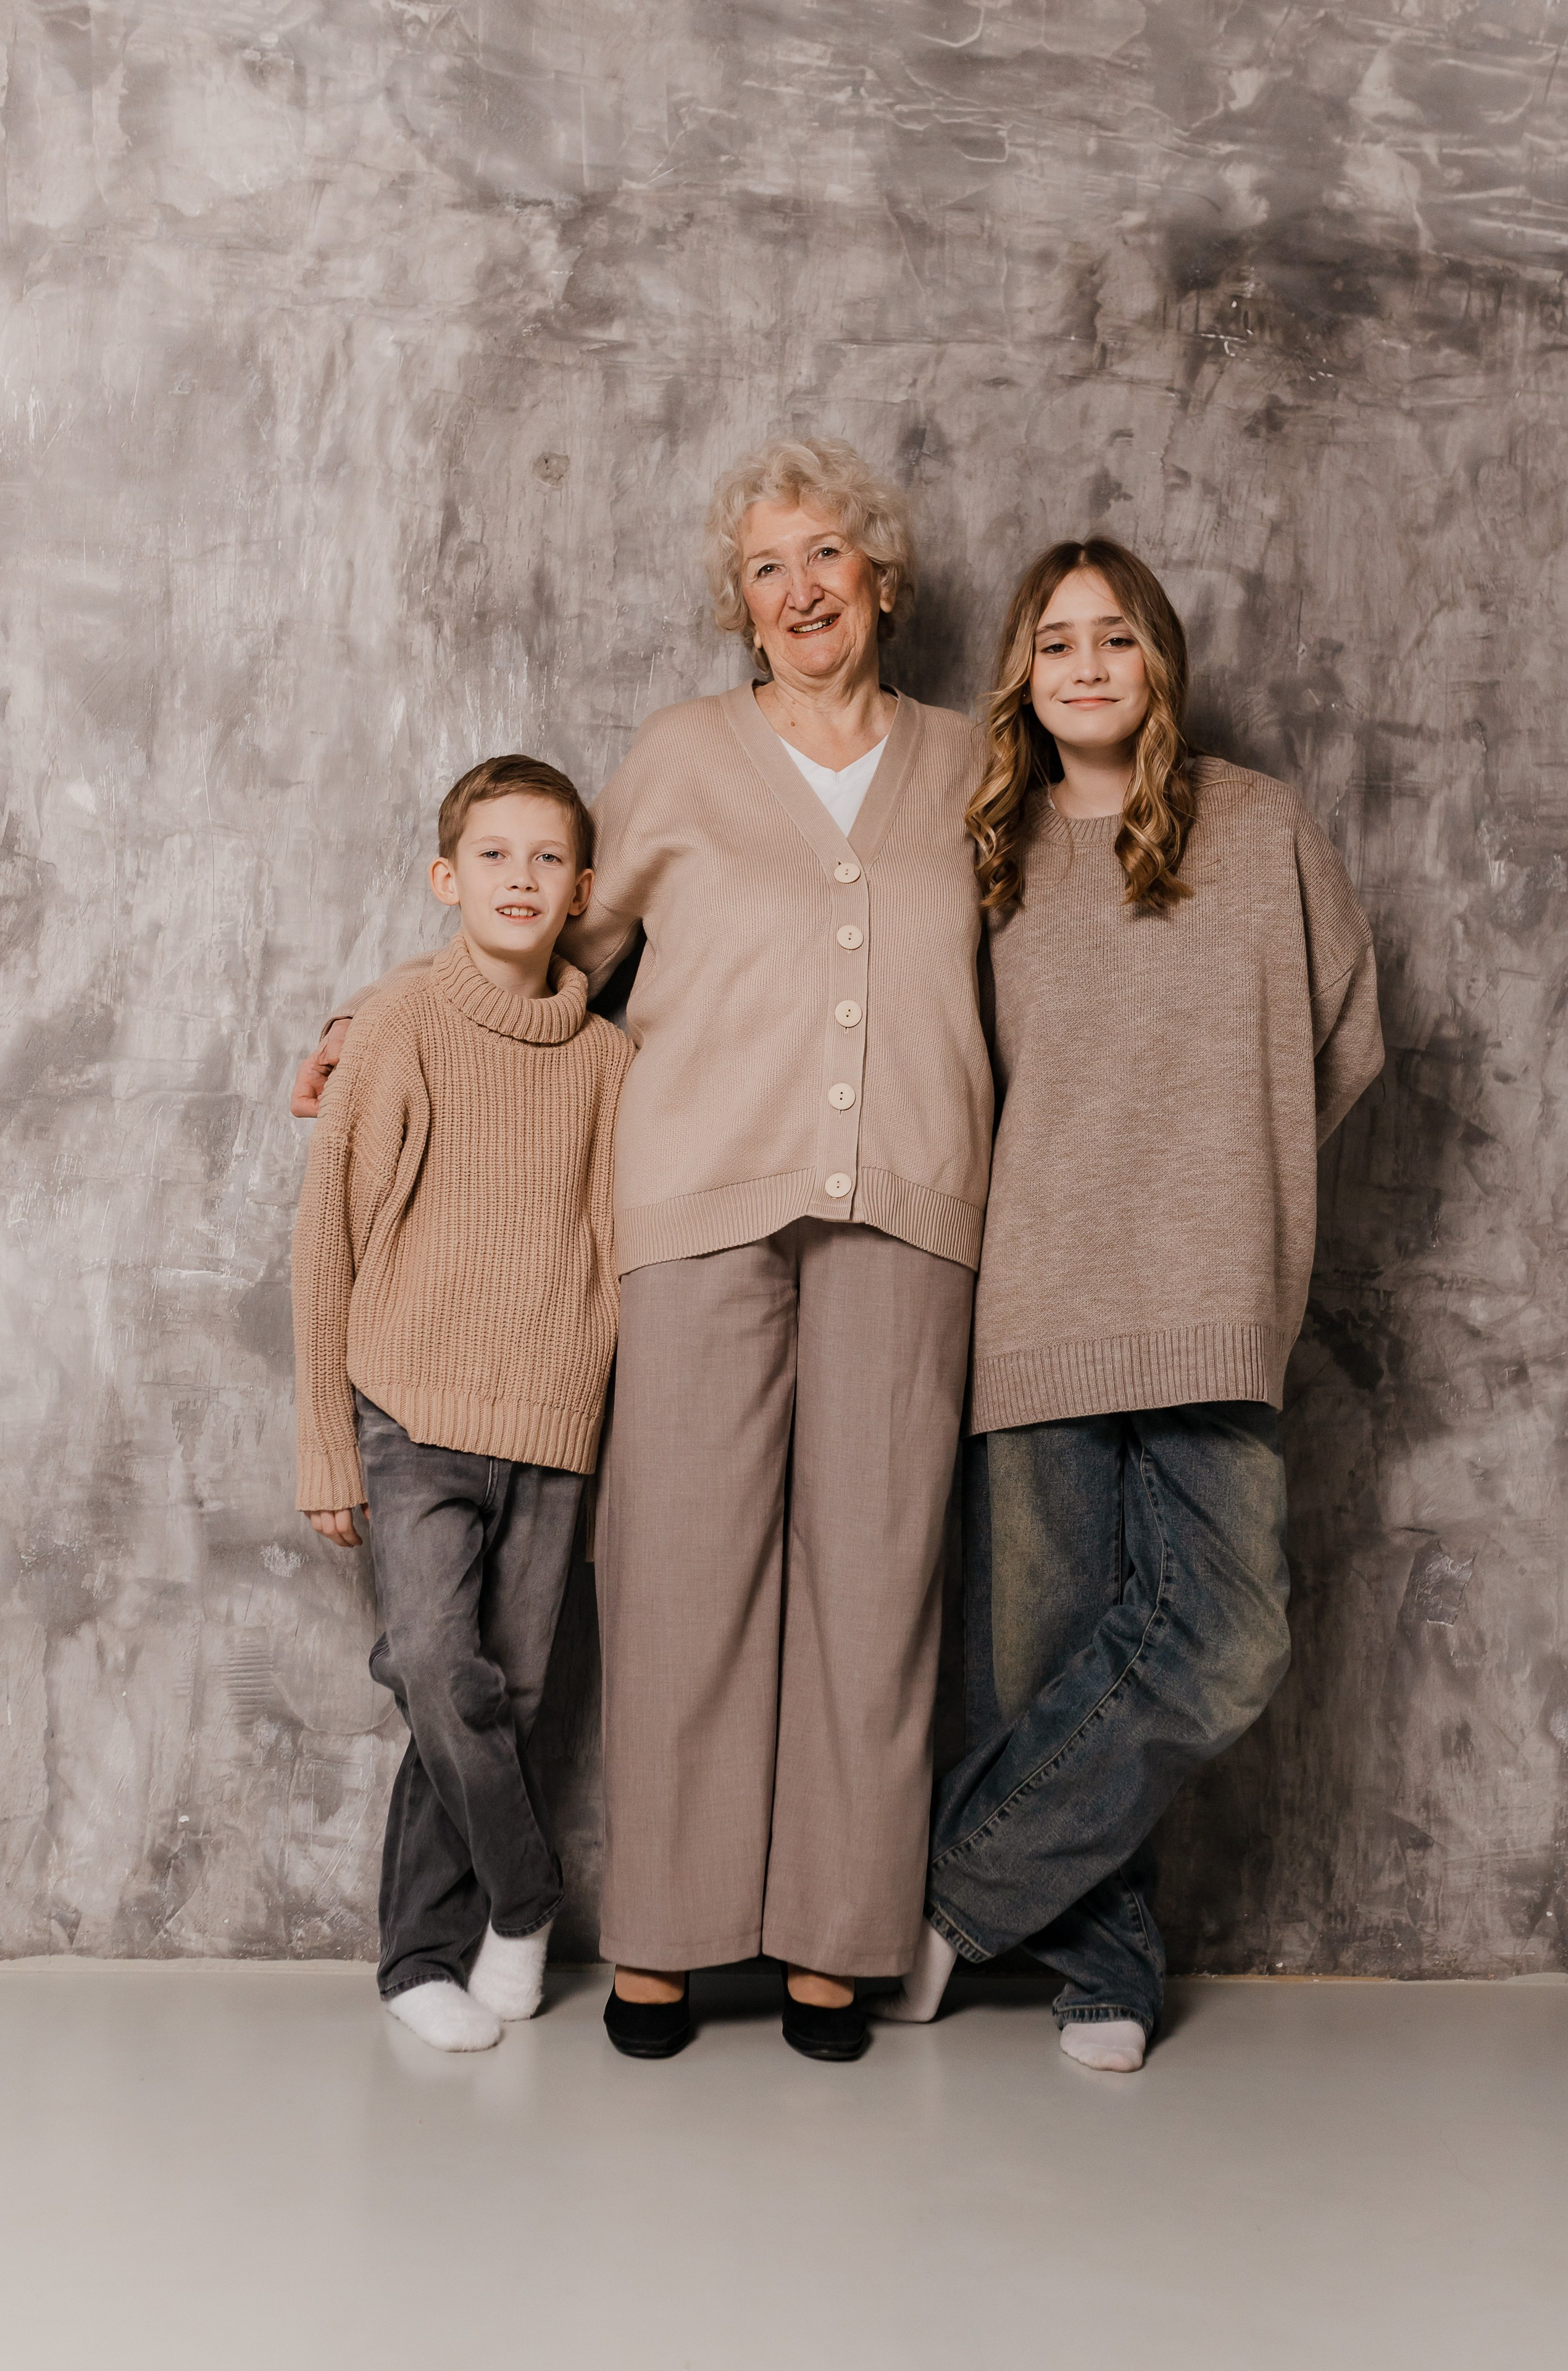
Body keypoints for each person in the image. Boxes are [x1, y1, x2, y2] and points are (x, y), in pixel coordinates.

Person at [294, 438, 993, 2062]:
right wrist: (365, 1022)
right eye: (767, 567)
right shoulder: (681, 757)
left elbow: (1042, 971)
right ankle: (669, 1944)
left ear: (881, 579)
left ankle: (837, 1944)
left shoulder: (971, 765)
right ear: (739, 607)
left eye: (826, 555)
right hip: (685, 1216)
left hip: (908, 1205)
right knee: (677, 1578)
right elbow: (545, 955)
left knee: (877, 1583)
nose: (800, 589)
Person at [876, 538, 1384, 2068]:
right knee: (1047, 1657)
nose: (1085, 665)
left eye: (1113, 637)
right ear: (1019, 679)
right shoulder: (985, 848)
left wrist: (1223, 1188)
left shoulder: (1258, 826)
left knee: (1222, 1645)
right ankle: (1105, 1969)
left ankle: (948, 1898)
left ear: (1157, 657)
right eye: (1053, 645)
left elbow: (1346, 1038)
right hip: (1033, 1300)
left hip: (1214, 1295)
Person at [291, 755, 630, 2052]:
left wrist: (608, 1434)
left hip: (548, 1425)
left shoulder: (607, 1060)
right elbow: (328, 1241)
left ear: (582, 888)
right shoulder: (396, 1027)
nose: (520, 880)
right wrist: (328, 1442)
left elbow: (611, 1253)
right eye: (493, 856)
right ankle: (518, 1901)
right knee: (438, 1667)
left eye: (547, 860)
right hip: (411, 1414)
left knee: (514, 1696)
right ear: (447, 878)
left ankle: (427, 1948)